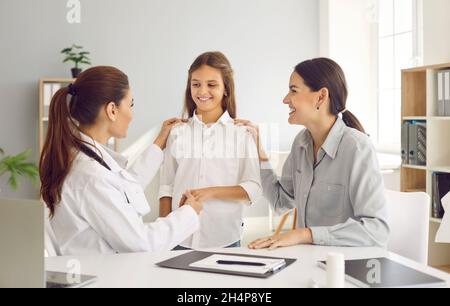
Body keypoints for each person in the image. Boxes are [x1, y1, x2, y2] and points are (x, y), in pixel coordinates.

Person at [40, 66, 202, 256]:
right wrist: (188, 213)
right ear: (112, 110)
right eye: (130, 104)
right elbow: (140, 243)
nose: (131, 114)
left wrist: (158, 144)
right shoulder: (90, 175)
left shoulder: (82, 160)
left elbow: (123, 188)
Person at [235, 58, 389, 249]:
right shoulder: (301, 143)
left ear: (321, 97)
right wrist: (259, 151)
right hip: (307, 261)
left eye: (293, 90)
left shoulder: (357, 148)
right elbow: (280, 201)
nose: (285, 99)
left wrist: (305, 234)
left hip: (343, 266)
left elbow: (377, 230)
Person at [159, 52, 262, 249]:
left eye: (211, 84)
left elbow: (253, 189)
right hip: (178, 237)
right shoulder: (176, 132)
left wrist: (211, 192)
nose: (202, 91)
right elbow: (167, 186)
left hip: (223, 238)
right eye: (196, 84)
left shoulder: (241, 133)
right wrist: (163, 230)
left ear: (226, 89)